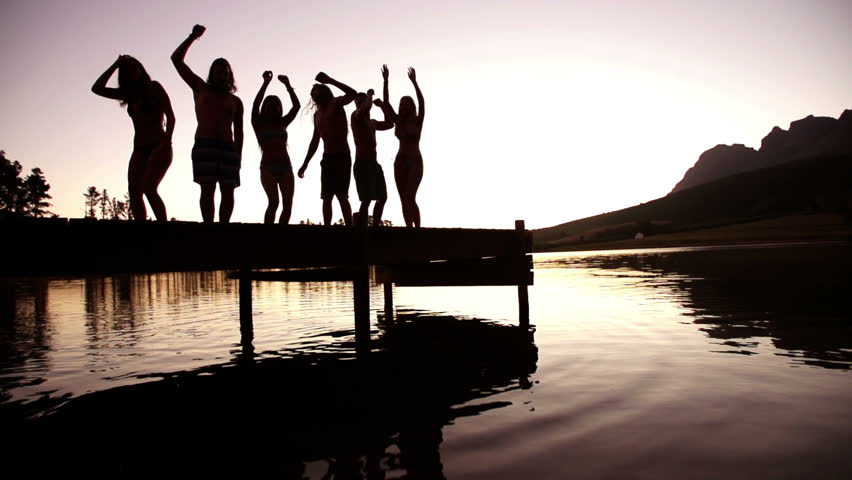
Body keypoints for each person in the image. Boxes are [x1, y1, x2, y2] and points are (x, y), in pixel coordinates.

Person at [171, 24, 244, 223]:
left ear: (229, 76)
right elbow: (176, 60)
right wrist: (192, 37)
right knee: (207, 188)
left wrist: (238, 155)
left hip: (228, 148)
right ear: (212, 74)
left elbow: (239, 131)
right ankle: (208, 227)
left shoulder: (235, 101)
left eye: (224, 72)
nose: (221, 75)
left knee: (228, 190)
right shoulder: (200, 88)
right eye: (217, 72)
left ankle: (223, 227)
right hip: (205, 144)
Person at [91, 55, 174, 221]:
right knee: (134, 191)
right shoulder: (128, 94)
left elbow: (171, 116)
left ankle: (165, 229)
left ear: (140, 68)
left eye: (133, 67)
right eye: (126, 70)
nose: (131, 71)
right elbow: (97, 88)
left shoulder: (154, 87)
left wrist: (166, 141)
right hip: (139, 149)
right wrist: (116, 64)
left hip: (159, 145)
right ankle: (140, 231)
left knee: (149, 188)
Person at [297, 72, 356, 226]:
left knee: (342, 195)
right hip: (328, 158)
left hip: (342, 155)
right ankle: (327, 228)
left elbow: (353, 94)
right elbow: (315, 140)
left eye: (314, 90)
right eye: (311, 92)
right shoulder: (317, 115)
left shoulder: (336, 103)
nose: (311, 93)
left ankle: (349, 227)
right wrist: (305, 163)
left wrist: (330, 81)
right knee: (326, 196)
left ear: (322, 91)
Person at [252, 71, 300, 224]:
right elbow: (255, 105)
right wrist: (265, 83)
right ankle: (268, 235)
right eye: (269, 105)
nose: (273, 108)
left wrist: (288, 85)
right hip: (267, 167)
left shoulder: (282, 122)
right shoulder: (258, 123)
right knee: (274, 202)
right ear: (264, 108)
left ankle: (280, 235)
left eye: (276, 105)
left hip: (285, 167)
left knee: (288, 205)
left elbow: (296, 106)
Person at [351, 65, 395, 226]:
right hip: (362, 163)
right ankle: (361, 228)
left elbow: (390, 124)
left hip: (373, 163)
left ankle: (375, 226)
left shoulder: (372, 123)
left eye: (362, 101)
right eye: (359, 102)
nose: (361, 104)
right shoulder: (355, 117)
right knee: (367, 199)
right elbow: (365, 108)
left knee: (382, 197)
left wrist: (383, 106)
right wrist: (369, 94)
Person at [389, 67, 424, 228]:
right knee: (403, 198)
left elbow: (422, 101)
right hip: (400, 161)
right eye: (401, 104)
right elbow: (387, 104)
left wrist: (414, 82)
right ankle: (408, 229)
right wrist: (385, 82)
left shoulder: (417, 120)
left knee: (410, 197)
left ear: (411, 106)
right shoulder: (398, 120)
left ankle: (418, 229)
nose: (403, 106)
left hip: (415, 161)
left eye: (406, 104)